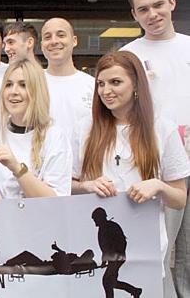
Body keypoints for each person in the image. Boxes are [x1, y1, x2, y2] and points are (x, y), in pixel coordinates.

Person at [72, 51, 189, 287]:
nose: (106, 91)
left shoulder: (162, 128)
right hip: (97, 245)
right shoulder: (84, 128)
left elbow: (179, 199)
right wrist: (87, 185)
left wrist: (157, 186)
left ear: (136, 84)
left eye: (115, 82)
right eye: (101, 84)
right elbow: (65, 186)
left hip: (147, 249)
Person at [121, 0, 190, 298]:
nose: (153, 14)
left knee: (188, 256)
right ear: (134, 15)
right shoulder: (129, 56)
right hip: (154, 167)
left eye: (159, 5)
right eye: (143, 9)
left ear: (172, 3)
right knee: (159, 251)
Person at [0, 60, 72, 199]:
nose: (13, 92)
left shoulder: (54, 136)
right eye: (8, 85)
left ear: (37, 91)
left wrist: (17, 169)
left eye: (23, 85)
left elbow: (56, 201)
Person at [41, 17, 95, 138]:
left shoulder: (92, 86)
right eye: (47, 37)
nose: (54, 41)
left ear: (74, 41)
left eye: (61, 35)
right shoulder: (30, 84)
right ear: (41, 45)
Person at [92, 207, 142, 298]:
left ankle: (134, 291)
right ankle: (135, 290)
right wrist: (104, 261)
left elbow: (122, 242)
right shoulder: (102, 229)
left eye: (95, 218)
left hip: (117, 257)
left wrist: (117, 256)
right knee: (112, 282)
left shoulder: (111, 226)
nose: (95, 221)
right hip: (113, 258)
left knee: (106, 281)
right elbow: (105, 248)